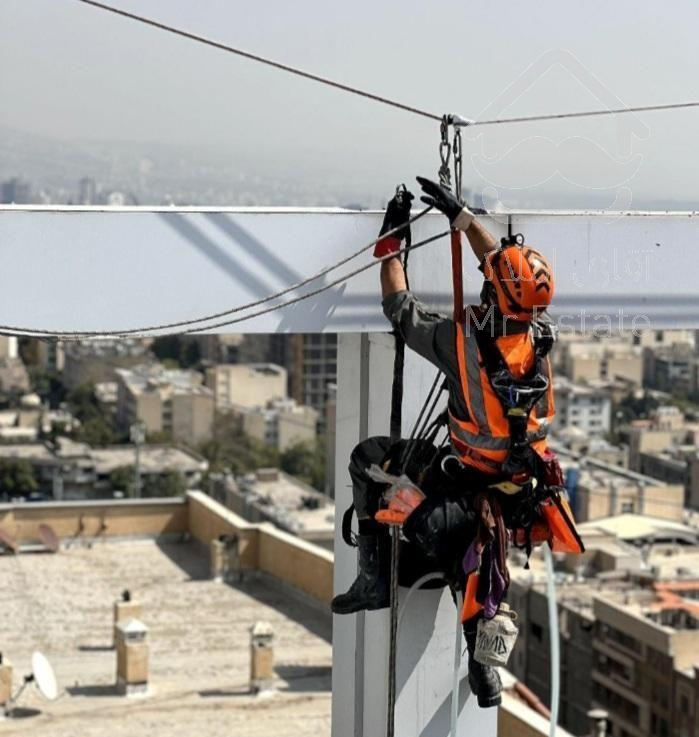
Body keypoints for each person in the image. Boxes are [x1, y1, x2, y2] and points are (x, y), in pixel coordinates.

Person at [331, 178, 582, 708]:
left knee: (368, 458)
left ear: (494, 293)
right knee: (470, 566)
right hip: (513, 489)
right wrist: (463, 217)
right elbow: (502, 268)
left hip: (459, 476)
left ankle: (374, 578)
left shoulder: (462, 345)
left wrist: (392, 240)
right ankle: (486, 672)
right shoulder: (538, 340)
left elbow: (399, 307)